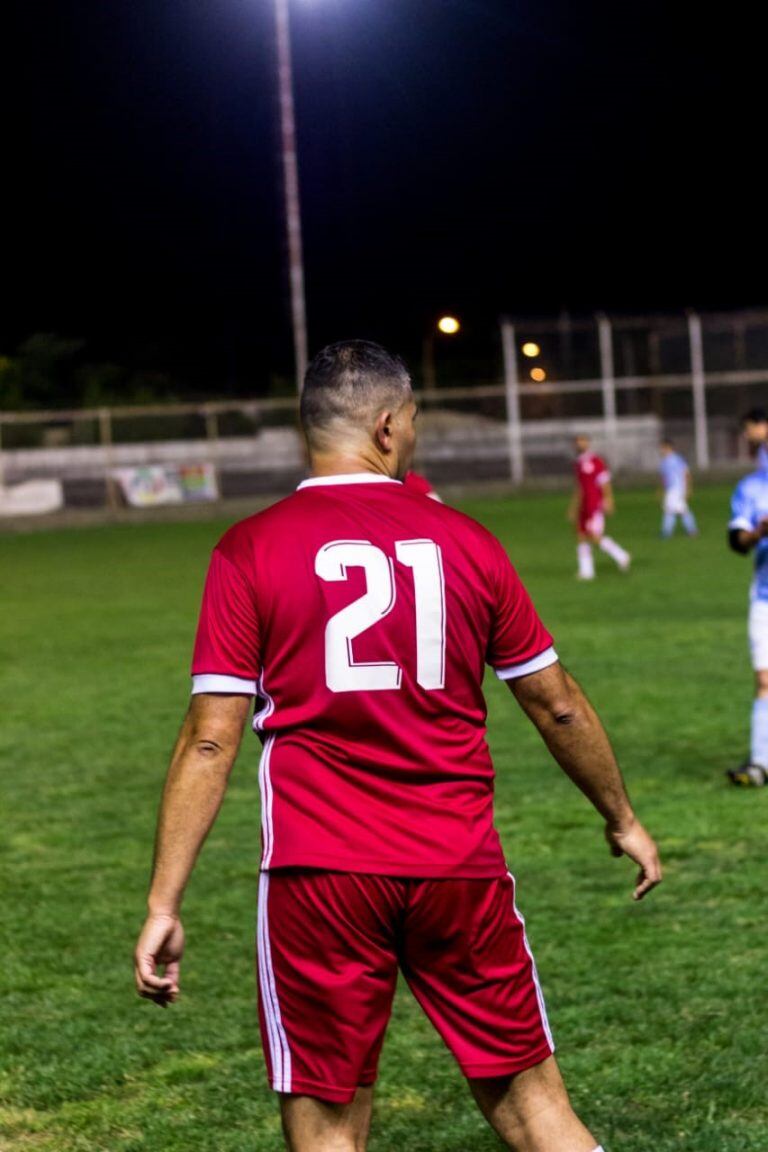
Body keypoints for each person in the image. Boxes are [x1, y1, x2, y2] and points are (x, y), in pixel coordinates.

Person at [134, 340, 662, 1152]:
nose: (412, 434)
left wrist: (165, 902)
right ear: (386, 426)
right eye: (412, 419)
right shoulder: (468, 540)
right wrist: (621, 815)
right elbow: (555, 706)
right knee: (534, 1109)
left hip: (320, 878)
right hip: (459, 867)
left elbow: (211, 740)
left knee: (330, 1130)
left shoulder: (248, 547)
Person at [727, 408, 768, 786]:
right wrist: (759, 532)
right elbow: (737, 542)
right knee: (764, 679)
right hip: (765, 597)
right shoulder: (751, 487)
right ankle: (760, 762)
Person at [569, 435, 631, 580]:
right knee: (581, 536)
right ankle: (587, 571)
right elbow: (579, 487)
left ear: (588, 443)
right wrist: (573, 507)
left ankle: (621, 555)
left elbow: (604, 481)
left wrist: (608, 500)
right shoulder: (578, 463)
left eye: (583, 441)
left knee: (594, 536)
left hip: (594, 505)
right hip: (583, 506)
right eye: (578, 441)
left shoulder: (596, 461)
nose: (580, 444)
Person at [658, 439, 698, 538]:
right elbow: (665, 478)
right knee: (680, 510)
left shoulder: (677, 460)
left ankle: (666, 533)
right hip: (673, 489)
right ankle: (692, 530)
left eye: (662, 448)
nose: (660, 450)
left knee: (671, 510)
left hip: (676, 489)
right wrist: (662, 489)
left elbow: (686, 474)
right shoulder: (665, 462)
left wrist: (688, 488)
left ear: (668, 448)